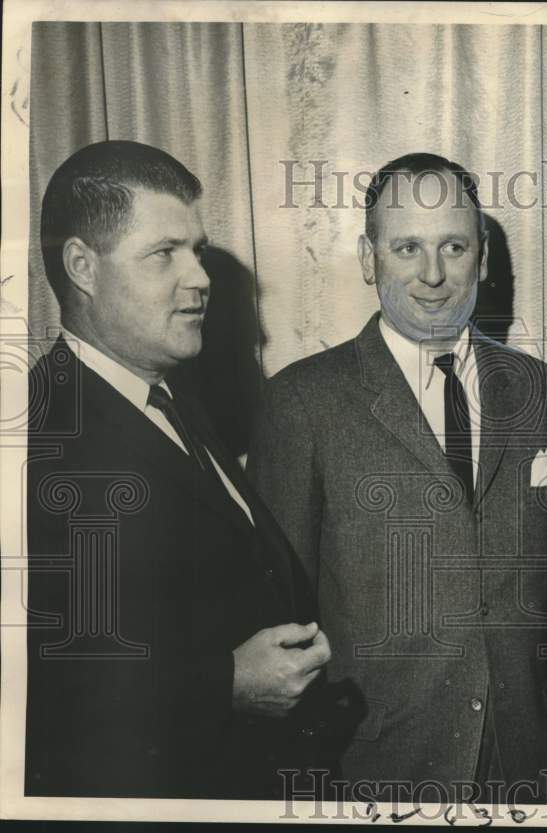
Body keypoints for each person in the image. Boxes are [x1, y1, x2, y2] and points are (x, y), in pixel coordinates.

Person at [248, 153, 547, 801]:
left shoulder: (540, 389)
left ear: (482, 257)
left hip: (526, 774)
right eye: (407, 248)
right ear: (369, 260)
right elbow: (279, 618)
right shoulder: (302, 402)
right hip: (379, 772)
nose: (433, 275)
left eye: (453, 246)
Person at [26, 140, 337, 799]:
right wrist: (223, 682)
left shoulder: (171, 400)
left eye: (196, 251)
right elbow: (39, 685)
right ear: (83, 266)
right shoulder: (39, 436)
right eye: (164, 253)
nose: (200, 278)